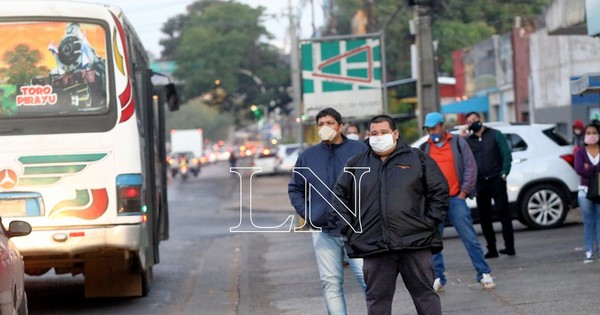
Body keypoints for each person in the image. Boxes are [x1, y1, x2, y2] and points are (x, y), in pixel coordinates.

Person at [333, 114, 449, 315]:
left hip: (415, 243)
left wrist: (429, 222)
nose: (379, 137)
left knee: (425, 296)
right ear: (368, 136)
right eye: (374, 133)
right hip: (374, 247)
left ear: (395, 134)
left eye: (384, 132)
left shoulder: (418, 158)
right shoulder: (356, 164)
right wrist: (351, 229)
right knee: (377, 301)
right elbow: (338, 198)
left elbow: (439, 191)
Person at [288, 107, 368, 314]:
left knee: (368, 281)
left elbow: (374, 183)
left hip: (357, 229)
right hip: (323, 231)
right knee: (331, 284)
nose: (325, 127)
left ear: (340, 126)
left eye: (330, 123)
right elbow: (295, 188)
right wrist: (309, 214)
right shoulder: (308, 157)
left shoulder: (359, 150)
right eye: (321, 124)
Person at [420, 112, 496, 292]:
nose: (432, 132)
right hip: (434, 203)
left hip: (456, 198)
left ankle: (484, 273)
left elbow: (470, 167)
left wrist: (463, 192)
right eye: (428, 129)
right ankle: (438, 277)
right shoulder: (425, 148)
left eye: (434, 128)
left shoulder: (458, 143)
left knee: (470, 238)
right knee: (433, 241)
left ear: (442, 126)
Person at [464, 112, 515, 258]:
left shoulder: (495, 134)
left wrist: (504, 172)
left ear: (480, 120)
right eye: (470, 122)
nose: (473, 122)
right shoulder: (468, 140)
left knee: (504, 213)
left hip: (496, 179)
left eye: (475, 119)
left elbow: (506, 154)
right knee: (484, 217)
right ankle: (491, 248)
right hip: (480, 182)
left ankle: (509, 247)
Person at [574, 123, 600, 263]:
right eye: (588, 133)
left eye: (594, 132)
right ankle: (589, 251)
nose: (591, 135)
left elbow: (585, 169)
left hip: (599, 191)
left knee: (599, 221)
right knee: (588, 222)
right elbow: (578, 169)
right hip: (584, 191)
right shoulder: (580, 152)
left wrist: (588, 167)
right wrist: (595, 169)